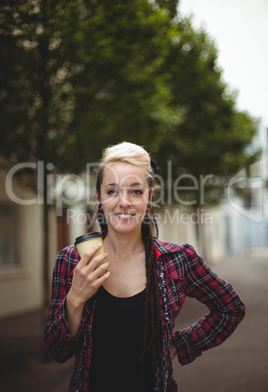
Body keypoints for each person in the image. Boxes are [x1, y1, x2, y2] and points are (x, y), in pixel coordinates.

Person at [44, 141, 245, 392]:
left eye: (136, 191)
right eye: (112, 191)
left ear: (150, 197)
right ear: (99, 197)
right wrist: (75, 298)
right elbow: (56, 351)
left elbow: (230, 309)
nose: (124, 202)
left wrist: (178, 345)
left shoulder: (178, 259)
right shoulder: (72, 261)